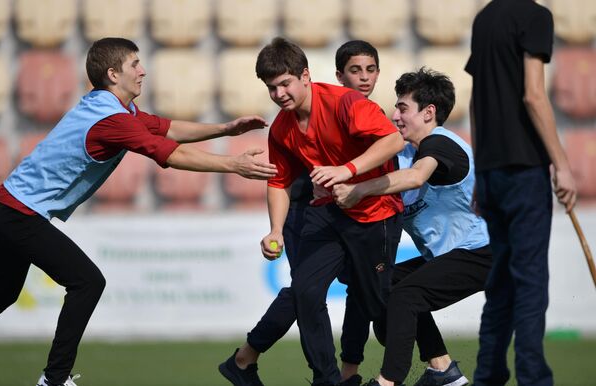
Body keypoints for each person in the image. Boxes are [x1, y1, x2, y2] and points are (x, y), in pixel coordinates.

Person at [0, 37, 277, 386]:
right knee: (87, 282)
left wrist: (225, 129)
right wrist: (233, 164)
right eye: (134, 65)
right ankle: (54, 379)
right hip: (19, 214)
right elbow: (171, 154)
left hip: (12, 208)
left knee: (4, 294)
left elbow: (168, 128)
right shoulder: (113, 119)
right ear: (113, 74)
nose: (143, 71)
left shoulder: (114, 109)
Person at [219, 40, 400, 386]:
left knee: (380, 304)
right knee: (304, 290)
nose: (279, 93)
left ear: (305, 76)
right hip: (329, 215)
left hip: (376, 215)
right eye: (271, 87)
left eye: (285, 83)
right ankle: (328, 379)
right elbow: (278, 183)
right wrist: (275, 230)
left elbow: (393, 141)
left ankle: (436, 364)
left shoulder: (346, 103)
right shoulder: (281, 129)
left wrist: (347, 169)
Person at [331, 68, 492, 386]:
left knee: (406, 296)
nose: (395, 114)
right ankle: (443, 370)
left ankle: (388, 381)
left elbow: (417, 177)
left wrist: (360, 189)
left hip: (486, 251)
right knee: (383, 287)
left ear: (429, 112)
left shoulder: (441, 145)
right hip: (454, 255)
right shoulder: (403, 153)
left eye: (403, 107)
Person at [465, 1, 577, 385]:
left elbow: (475, 102)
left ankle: (488, 375)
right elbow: (533, 94)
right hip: (524, 170)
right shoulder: (536, 16)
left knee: (500, 285)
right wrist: (561, 163)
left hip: (492, 171)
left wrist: (481, 170)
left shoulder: (484, 19)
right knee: (529, 284)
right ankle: (533, 378)